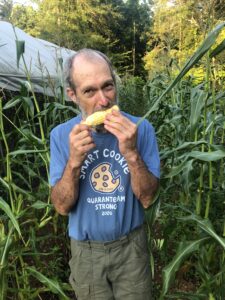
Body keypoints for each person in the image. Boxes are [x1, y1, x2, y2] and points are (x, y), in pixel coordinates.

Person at [49, 48, 160, 300]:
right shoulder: (60, 136)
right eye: (89, 91)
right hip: (86, 254)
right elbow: (62, 206)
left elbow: (147, 198)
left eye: (108, 87)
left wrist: (131, 152)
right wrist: (74, 162)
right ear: (72, 95)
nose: (103, 100)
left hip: (131, 249)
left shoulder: (141, 129)